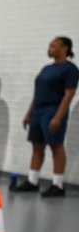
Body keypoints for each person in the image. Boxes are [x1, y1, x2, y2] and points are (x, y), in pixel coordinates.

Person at [12, 36, 77, 197]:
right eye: (49, 46)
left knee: (56, 146)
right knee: (37, 146)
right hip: (38, 111)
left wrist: (58, 117)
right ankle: (33, 181)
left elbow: (69, 94)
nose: (49, 49)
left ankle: (58, 185)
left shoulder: (70, 69)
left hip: (53, 110)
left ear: (64, 48)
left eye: (53, 46)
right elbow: (37, 93)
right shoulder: (46, 68)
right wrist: (29, 113)